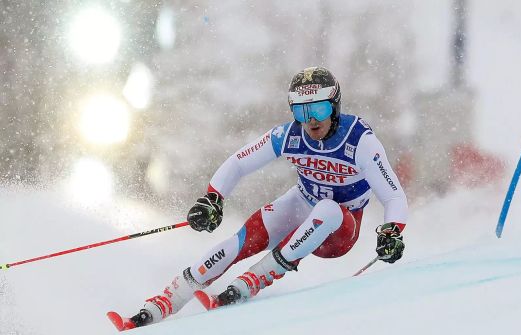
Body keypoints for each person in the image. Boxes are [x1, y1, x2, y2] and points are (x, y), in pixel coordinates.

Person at [108, 66, 408, 330]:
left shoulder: (359, 140)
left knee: (328, 209)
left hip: (340, 228)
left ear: (334, 106)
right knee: (240, 240)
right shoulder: (289, 135)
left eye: (318, 110)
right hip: (303, 203)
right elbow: (239, 161)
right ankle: (162, 304)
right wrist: (213, 198)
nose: (311, 121)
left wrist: (391, 231)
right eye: (301, 112)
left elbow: (393, 195)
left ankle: (255, 279)